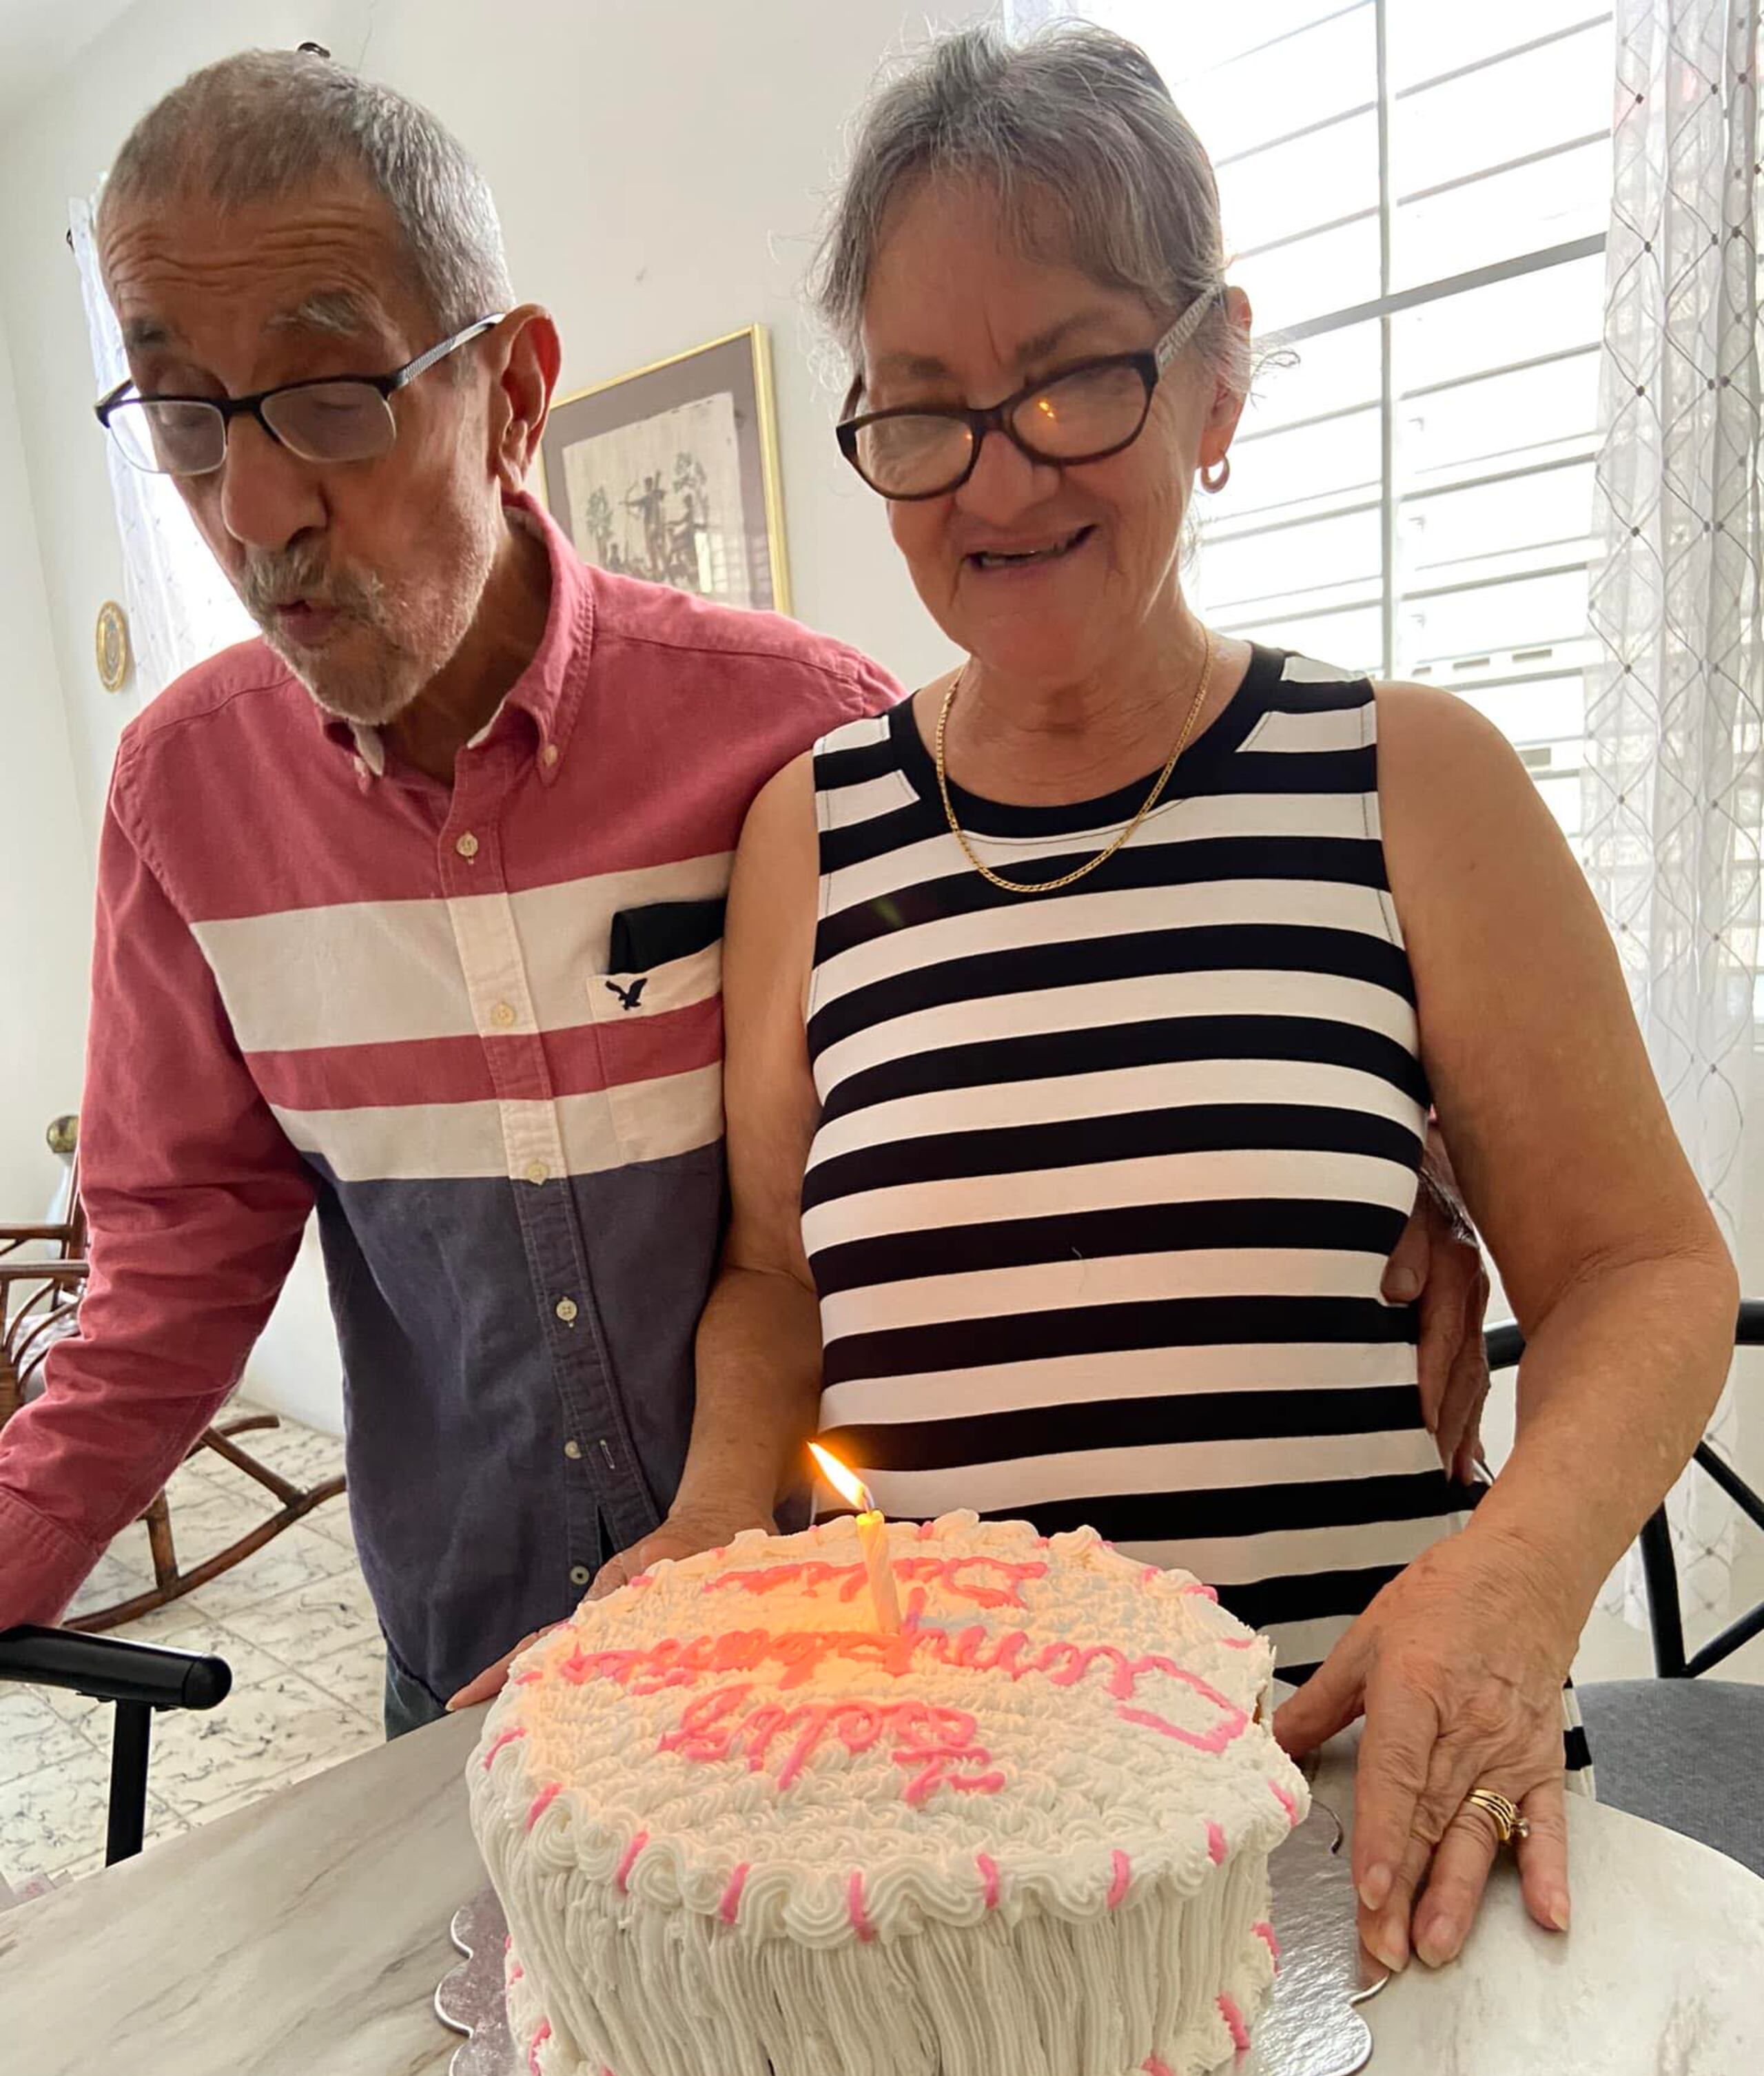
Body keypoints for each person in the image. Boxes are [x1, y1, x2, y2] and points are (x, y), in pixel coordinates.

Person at [0, 48, 1482, 1743]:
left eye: (333, 399)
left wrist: (1383, 1148)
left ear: (511, 394)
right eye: (184, 419)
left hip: (841, 1663)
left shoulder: (799, 730)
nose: (255, 510)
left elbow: (1058, 997)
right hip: (475, 1671)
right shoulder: (181, 798)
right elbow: (169, 1276)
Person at [478, 24, 1736, 1977]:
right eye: (922, 410)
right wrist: (725, 1505)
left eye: (1072, 379)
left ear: (1216, 374)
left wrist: (1515, 1583)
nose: (1000, 474)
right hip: (947, 1866)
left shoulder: (1412, 781)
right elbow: (772, 1273)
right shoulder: (813, 833)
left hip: (1366, 1812)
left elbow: (1644, 1271)